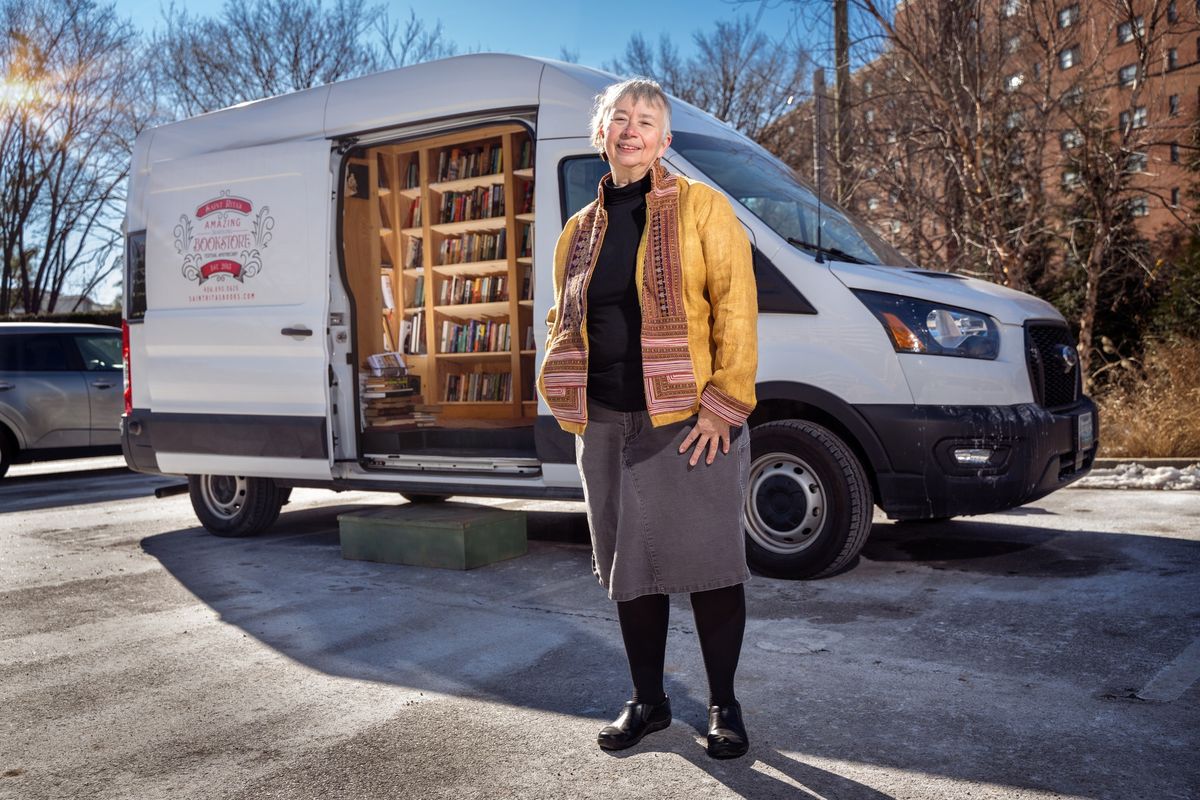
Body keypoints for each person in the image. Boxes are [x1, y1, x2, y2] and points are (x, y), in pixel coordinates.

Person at [536, 77, 759, 759]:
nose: (631, 130)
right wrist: (560, 379)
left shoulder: (704, 210)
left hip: (688, 421)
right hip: (604, 421)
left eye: (646, 121)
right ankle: (649, 702)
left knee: (711, 567)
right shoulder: (577, 232)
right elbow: (564, 317)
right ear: (601, 134)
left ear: (665, 141)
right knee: (628, 569)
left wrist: (726, 404)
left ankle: (723, 705)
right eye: (619, 119)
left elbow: (736, 309)